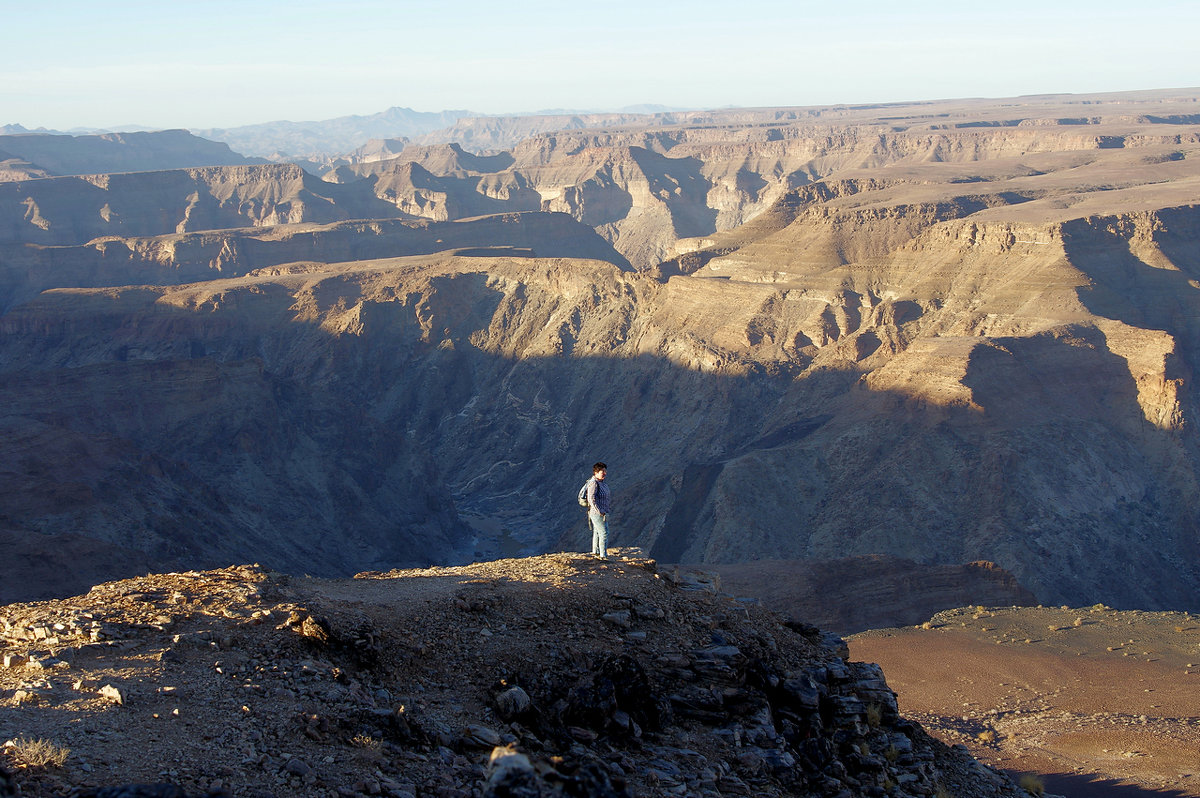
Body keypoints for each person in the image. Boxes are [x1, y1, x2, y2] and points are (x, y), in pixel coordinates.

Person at [585, 462, 611, 559]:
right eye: (602, 471)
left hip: (602, 512)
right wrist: (599, 511)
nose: (604, 473)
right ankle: (603, 556)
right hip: (598, 513)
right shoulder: (593, 483)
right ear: (596, 472)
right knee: (604, 532)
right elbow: (591, 498)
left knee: (597, 531)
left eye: (605, 471)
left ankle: (595, 552)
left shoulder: (601, 483)